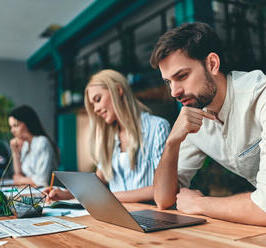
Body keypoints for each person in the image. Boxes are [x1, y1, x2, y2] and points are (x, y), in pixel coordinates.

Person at [150, 22, 266, 225]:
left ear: (212, 64)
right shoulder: (196, 118)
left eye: (182, 76)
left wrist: (199, 203)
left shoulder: (260, 97)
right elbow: (163, 200)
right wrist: (172, 143)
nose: (174, 92)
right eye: (169, 81)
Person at [44, 69, 170, 203]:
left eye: (98, 99)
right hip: (116, 216)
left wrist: (109, 197)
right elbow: (97, 182)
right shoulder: (110, 137)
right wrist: (66, 194)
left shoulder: (158, 127)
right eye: (92, 105)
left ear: (118, 90)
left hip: (149, 216)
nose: (96, 109)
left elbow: (162, 188)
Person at [8, 105, 59, 187]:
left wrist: (20, 180)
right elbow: (18, 174)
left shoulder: (42, 142)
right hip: (32, 191)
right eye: (11, 127)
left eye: (16, 125)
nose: (12, 131)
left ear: (27, 123)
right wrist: (15, 152)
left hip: (48, 193)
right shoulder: (26, 144)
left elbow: (42, 181)